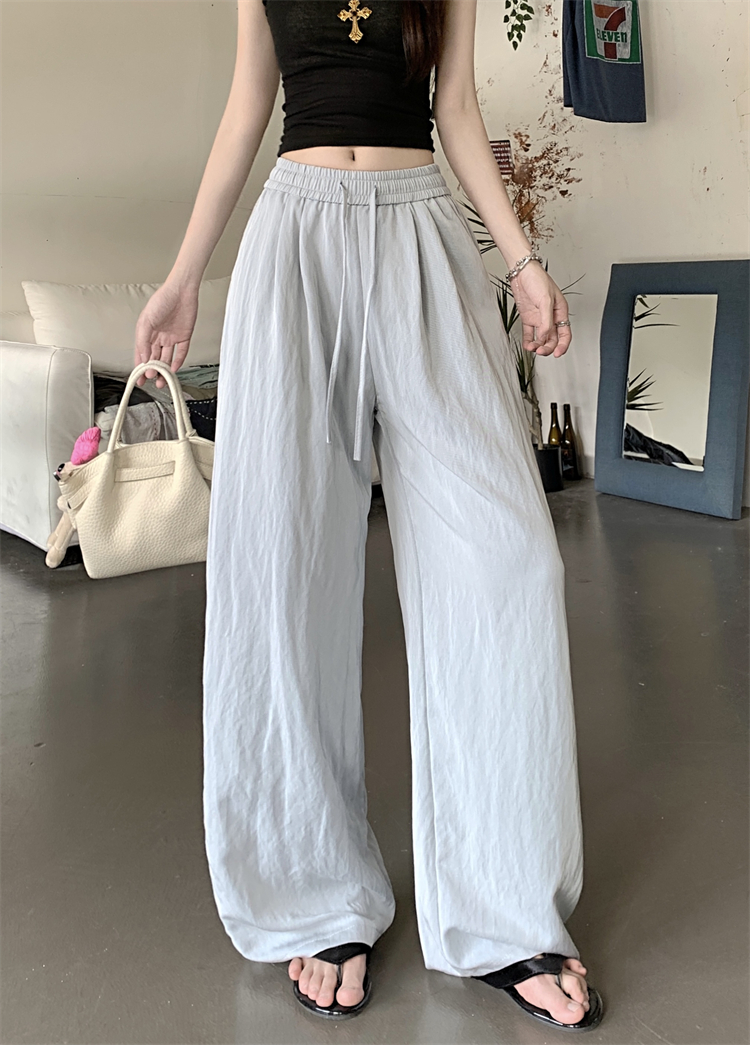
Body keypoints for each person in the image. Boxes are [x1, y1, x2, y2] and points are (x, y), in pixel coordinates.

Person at [134, 0, 604, 1030]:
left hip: (422, 232)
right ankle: (314, 890)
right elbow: (248, 108)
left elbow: (457, 110)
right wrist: (183, 279)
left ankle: (502, 906)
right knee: (281, 567)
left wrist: (522, 262)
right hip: (294, 241)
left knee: (508, 557)